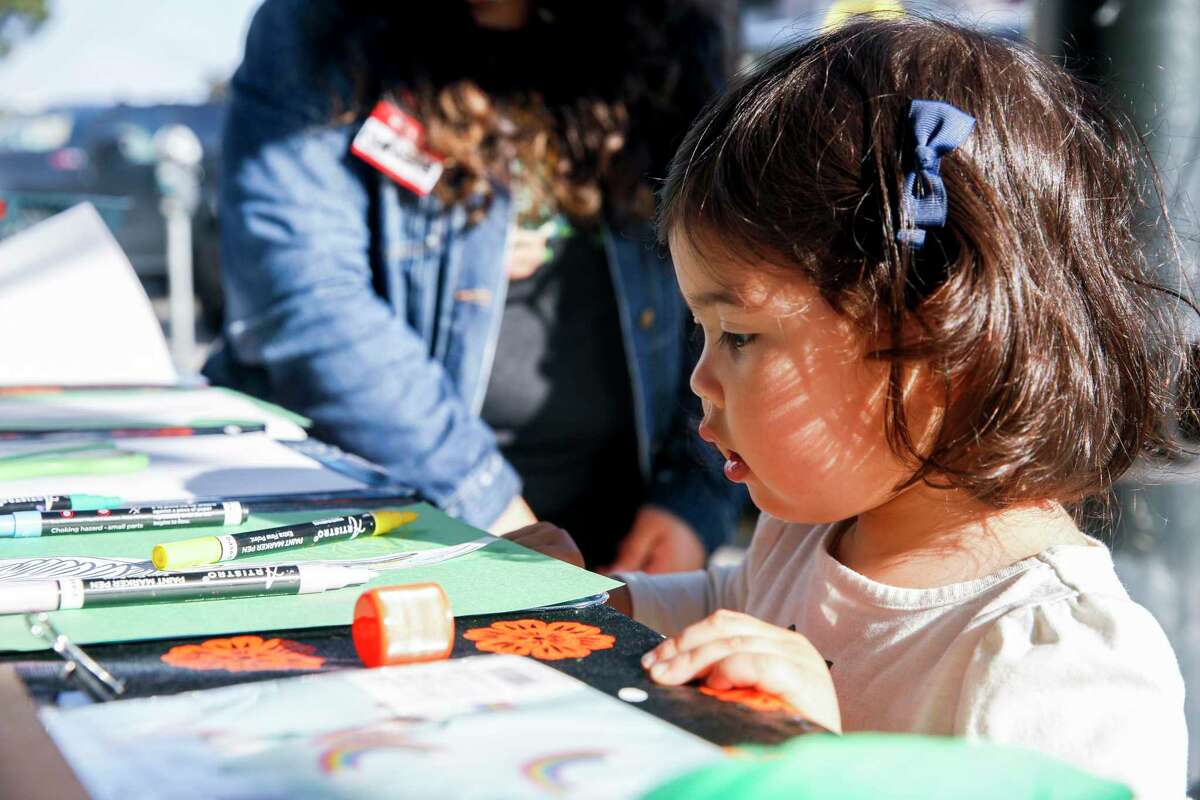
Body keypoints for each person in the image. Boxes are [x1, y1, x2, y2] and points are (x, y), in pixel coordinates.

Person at [508, 16, 1191, 796]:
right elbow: (729, 605)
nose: (698, 379)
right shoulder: (807, 532)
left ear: (929, 342)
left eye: (737, 335)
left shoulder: (1057, 662)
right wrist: (598, 601)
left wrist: (828, 768)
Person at [204, 0, 744, 570]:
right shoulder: (318, 27)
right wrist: (483, 495)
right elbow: (302, 296)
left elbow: (727, 287)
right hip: (386, 531)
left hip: (618, 540)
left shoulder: (676, 33)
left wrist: (691, 504)